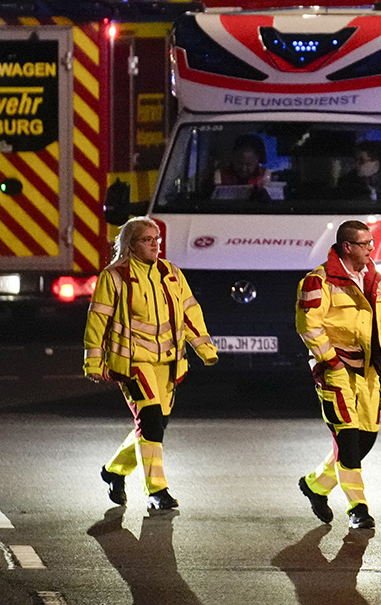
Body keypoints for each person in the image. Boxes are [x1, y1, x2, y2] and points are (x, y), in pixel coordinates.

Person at [84, 217, 218, 511]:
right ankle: (157, 490)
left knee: (155, 425)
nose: (155, 244)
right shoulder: (115, 276)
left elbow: (189, 312)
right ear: (130, 245)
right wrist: (94, 361)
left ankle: (114, 471)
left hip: (168, 363)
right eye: (147, 239)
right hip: (132, 362)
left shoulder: (171, 273)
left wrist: (204, 347)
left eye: (157, 238)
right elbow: (98, 320)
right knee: (152, 423)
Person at [294, 220, 381, 531]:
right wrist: (331, 361)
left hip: (368, 372)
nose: (371, 248)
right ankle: (358, 507)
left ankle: (315, 485)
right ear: (348, 247)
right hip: (335, 372)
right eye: (365, 244)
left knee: (365, 437)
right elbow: (309, 325)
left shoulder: (375, 279)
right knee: (348, 437)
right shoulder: (318, 281)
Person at [214, 134, 272, 199]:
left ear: (257, 161)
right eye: (239, 163)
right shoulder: (220, 175)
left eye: (249, 164)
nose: (243, 168)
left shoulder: (266, 175)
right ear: (233, 158)